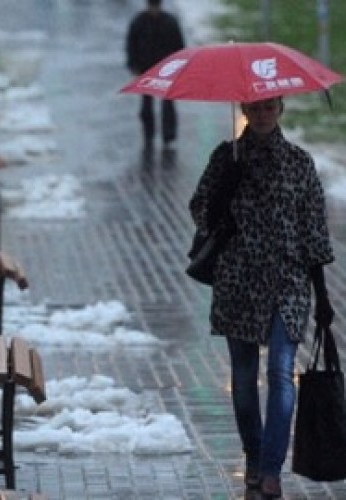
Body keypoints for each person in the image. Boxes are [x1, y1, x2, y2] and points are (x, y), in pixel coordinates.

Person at [189, 96, 335, 499]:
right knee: (243, 375)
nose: (263, 114)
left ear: (281, 108)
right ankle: (253, 457)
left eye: (270, 107)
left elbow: (314, 232)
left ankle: (271, 468)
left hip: (288, 282)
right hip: (238, 279)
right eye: (255, 108)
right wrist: (225, 189)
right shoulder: (227, 157)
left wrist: (322, 297)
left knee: (281, 372)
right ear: (244, 112)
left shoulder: (298, 162)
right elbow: (200, 210)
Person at [125, 0, 184, 150]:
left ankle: (168, 134)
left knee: (167, 102)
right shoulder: (140, 22)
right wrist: (133, 64)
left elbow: (179, 46)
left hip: (166, 68)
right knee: (147, 103)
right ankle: (149, 133)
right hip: (148, 68)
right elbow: (131, 45)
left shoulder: (167, 22)